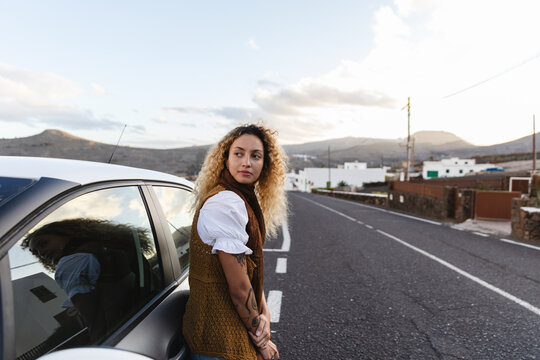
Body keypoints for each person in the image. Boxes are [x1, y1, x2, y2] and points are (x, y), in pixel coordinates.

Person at [183, 124, 288, 360]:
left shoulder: (242, 198)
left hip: (229, 331)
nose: (246, 162)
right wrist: (262, 341)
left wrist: (265, 315)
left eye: (255, 156)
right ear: (226, 158)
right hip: (217, 342)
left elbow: (249, 275)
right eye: (238, 153)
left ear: (266, 164)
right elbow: (240, 289)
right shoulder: (225, 204)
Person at [22, 218, 156, 342]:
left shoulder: (70, 264)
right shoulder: (104, 246)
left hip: (129, 335)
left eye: (43, 244)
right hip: (149, 318)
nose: (41, 253)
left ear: (65, 234)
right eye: (35, 252)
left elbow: (97, 324)